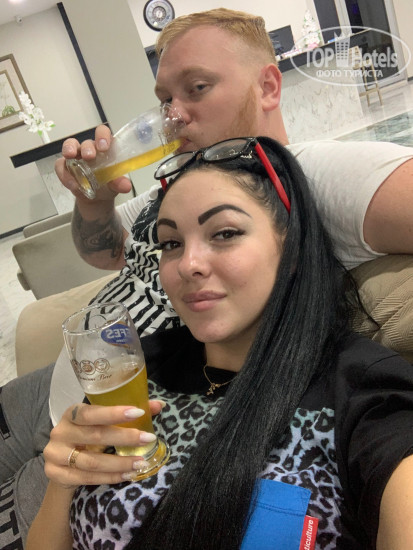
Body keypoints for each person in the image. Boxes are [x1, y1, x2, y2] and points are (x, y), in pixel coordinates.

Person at [2, 8, 413, 547]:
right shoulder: (177, 184)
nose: (174, 115)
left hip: (129, 419)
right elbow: (105, 252)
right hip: (94, 385)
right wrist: (94, 203)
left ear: (268, 86)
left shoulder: (312, 174)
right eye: (165, 99)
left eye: (196, 88)